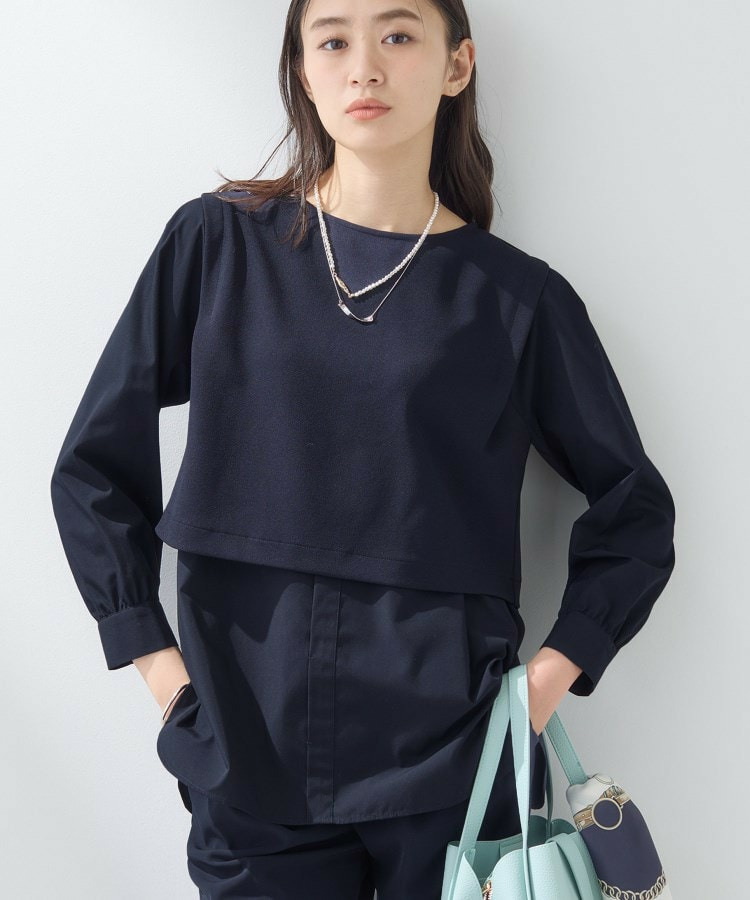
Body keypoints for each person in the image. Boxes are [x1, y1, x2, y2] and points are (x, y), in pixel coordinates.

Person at [49, 1, 676, 897]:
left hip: (453, 768)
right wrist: (158, 669)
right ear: (302, 69)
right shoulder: (217, 245)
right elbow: (92, 466)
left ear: (456, 66)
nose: (364, 66)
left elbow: (635, 510)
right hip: (244, 749)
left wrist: (540, 686)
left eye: (398, 35)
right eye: (334, 40)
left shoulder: (516, 301)